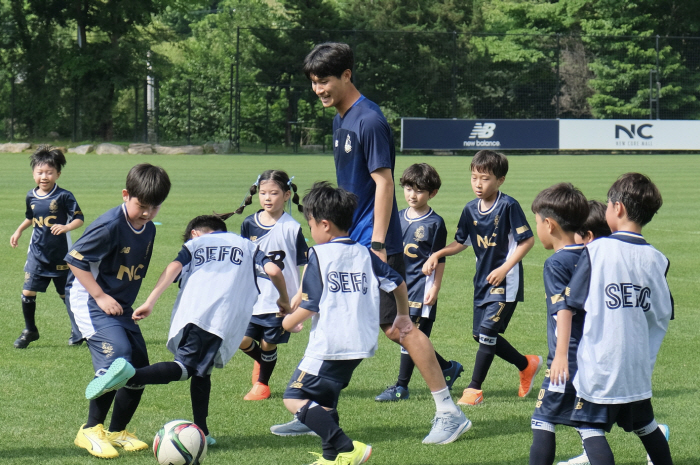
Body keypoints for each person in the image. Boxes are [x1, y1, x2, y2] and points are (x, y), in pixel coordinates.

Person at [272, 41, 469, 446]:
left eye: (324, 81)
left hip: (370, 243)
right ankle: (317, 410)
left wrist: (377, 242)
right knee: (334, 317)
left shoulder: (369, 120)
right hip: (350, 241)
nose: (318, 89)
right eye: (313, 82)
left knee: (399, 327)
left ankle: (449, 413)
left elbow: (383, 183)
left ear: (347, 75)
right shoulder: (340, 119)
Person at [281, 182, 472, 465]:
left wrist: (287, 322)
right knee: (325, 397)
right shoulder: (364, 253)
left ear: (324, 225)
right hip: (360, 343)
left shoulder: (317, 255)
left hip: (329, 344)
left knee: (293, 397)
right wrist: (403, 315)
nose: (310, 231)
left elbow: (311, 303)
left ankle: (347, 448)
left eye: (310, 224)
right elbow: (397, 282)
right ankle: (332, 457)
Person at [83, 215, 291, 446]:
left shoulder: (195, 245)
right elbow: (273, 271)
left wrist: (150, 301)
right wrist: (283, 300)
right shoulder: (248, 246)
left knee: (203, 371)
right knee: (187, 367)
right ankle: (131, 375)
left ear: (195, 232)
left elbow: (173, 267)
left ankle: (202, 429)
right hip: (220, 319)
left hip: (192, 314)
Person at [563, 173, 673, 465]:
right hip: (636, 365)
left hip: (601, 362)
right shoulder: (657, 258)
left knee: (589, 428)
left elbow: (572, 303)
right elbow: (663, 311)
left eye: (609, 205)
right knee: (646, 426)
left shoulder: (596, 250)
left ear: (618, 208)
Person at [65, 163, 171, 459]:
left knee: (139, 366)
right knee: (118, 360)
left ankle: (116, 432)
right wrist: (99, 296)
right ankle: (90, 430)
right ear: (126, 195)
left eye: (155, 207)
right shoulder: (110, 224)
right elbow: (74, 260)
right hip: (90, 301)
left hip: (120, 306)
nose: (148, 213)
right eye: (142, 206)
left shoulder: (147, 228)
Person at [423, 150, 541, 406]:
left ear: (500, 180)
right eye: (474, 177)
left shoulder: (508, 206)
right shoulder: (469, 209)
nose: (478, 184)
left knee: (487, 333)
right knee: (481, 335)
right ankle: (526, 364)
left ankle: (474, 389)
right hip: (482, 282)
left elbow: (527, 240)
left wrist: (505, 268)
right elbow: (461, 242)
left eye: (485, 178)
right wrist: (439, 253)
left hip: (505, 282)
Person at [375, 163, 464, 402]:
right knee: (396, 332)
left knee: (407, 334)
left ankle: (401, 387)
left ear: (432, 193)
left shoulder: (435, 223)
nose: (412, 195)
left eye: (419, 190)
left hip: (420, 287)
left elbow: (440, 257)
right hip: (397, 287)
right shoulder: (395, 218)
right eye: (408, 188)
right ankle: (447, 367)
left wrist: (435, 287)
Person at [216, 169, 307, 401]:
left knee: (268, 344)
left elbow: (304, 263)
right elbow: (244, 260)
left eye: (274, 193)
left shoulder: (292, 227)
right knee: (239, 339)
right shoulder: (249, 224)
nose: (267, 198)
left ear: (286, 195)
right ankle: (261, 361)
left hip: (280, 300)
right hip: (252, 297)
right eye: (263, 193)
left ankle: (262, 385)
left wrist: (300, 295)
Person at [526, 183, 590, 465]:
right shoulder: (591, 255)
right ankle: (653, 435)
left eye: (537, 222)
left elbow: (563, 309)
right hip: (593, 353)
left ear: (549, 225)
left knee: (542, 419)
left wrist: (559, 357)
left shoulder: (555, 263)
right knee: (588, 422)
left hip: (568, 357)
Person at [10, 145, 84, 348]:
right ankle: (30, 330)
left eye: (49, 172)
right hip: (37, 254)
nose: (44, 176)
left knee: (65, 295)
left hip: (60, 255)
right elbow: (30, 218)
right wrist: (19, 231)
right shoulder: (31, 196)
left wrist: (66, 226)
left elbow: (80, 219)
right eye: (40, 172)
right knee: (27, 292)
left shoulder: (64, 196)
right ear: (33, 173)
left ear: (57, 174)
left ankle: (79, 331)